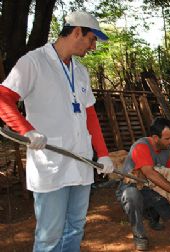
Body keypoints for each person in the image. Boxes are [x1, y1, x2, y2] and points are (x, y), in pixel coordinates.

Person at [0, 11, 115, 251]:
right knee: (49, 236)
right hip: (51, 165)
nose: (93, 47)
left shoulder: (81, 71)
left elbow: (90, 116)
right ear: (76, 32)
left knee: (75, 227)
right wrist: (27, 131)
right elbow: (3, 99)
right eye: (92, 39)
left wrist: (102, 154)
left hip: (81, 162)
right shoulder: (33, 62)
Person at [116, 117, 170, 251]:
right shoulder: (140, 146)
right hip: (131, 186)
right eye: (167, 139)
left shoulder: (168, 150)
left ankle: (153, 217)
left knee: (166, 197)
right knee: (132, 196)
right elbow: (150, 173)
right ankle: (139, 235)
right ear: (155, 138)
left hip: (149, 187)